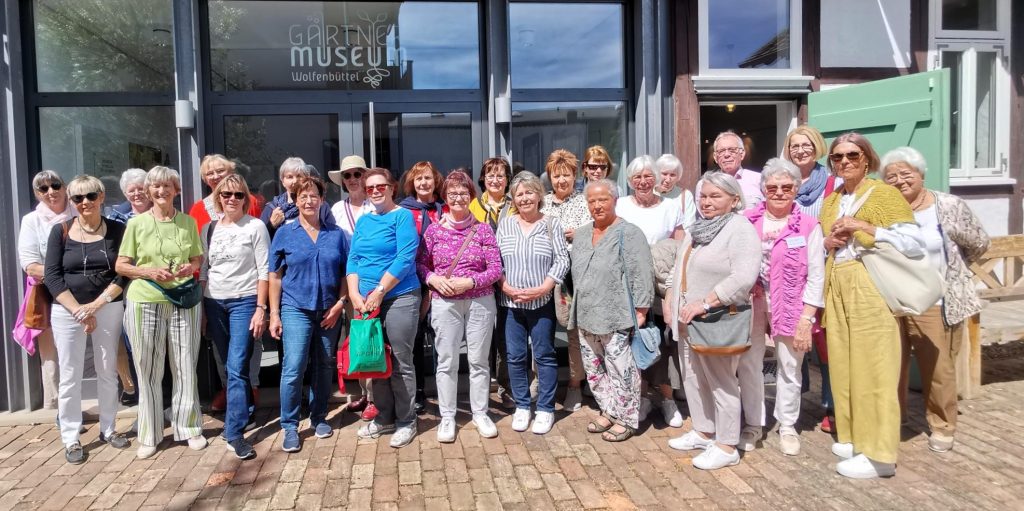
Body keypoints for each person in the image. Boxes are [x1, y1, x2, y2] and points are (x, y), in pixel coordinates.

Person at [820, 133, 924, 479]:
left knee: (875, 367)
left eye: (852, 155)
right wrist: (829, 240)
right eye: (837, 157)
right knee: (845, 365)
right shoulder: (833, 199)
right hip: (838, 281)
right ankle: (855, 437)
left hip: (870, 283)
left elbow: (914, 242)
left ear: (867, 158)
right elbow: (827, 241)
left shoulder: (884, 194)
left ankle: (880, 454)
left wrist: (864, 226)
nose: (845, 162)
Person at [881, 146, 990, 454]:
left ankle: (942, 424)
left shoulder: (948, 205)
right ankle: (894, 417)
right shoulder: (883, 209)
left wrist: (950, 272)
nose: (900, 181)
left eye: (906, 174)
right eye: (892, 176)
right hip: (891, 298)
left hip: (935, 300)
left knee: (939, 367)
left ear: (921, 174)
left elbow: (979, 243)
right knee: (891, 364)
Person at [666, 171, 760, 470]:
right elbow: (679, 266)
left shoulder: (739, 229)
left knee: (721, 382)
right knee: (693, 377)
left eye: (715, 196)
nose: (706, 202)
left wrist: (705, 302)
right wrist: (670, 298)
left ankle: (727, 444)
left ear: (734, 200)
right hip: (687, 318)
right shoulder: (698, 229)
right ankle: (705, 431)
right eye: (703, 196)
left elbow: (744, 278)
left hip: (715, 318)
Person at [115, 166, 207, 459]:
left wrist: (189, 268)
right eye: (155, 186)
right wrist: (148, 272)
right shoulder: (136, 224)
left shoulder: (188, 223)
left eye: (167, 186)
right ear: (148, 191)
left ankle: (189, 428)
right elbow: (121, 265)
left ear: (176, 190)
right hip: (146, 299)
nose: (161, 191)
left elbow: (197, 258)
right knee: (148, 368)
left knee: (184, 365)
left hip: (183, 299)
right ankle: (150, 434)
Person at [44, 175, 131, 464]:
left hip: (107, 306)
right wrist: (79, 311)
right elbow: (53, 276)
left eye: (91, 196)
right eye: (77, 198)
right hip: (68, 312)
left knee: (107, 370)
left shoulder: (118, 229)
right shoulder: (61, 231)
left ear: (102, 196)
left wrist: (95, 305)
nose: (85, 203)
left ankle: (109, 428)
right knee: (70, 375)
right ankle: (70, 437)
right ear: (71, 201)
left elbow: (124, 272)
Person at [744, 158, 824, 456]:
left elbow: (817, 274)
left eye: (786, 186)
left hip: (791, 304)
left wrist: (807, 317)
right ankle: (753, 423)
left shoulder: (808, 225)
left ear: (796, 188)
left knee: (790, 366)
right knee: (749, 364)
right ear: (763, 189)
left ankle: (787, 424)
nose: (779, 192)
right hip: (752, 303)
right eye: (773, 187)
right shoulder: (747, 220)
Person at [417, 171, 503, 442]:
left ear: (471, 197)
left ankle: (480, 412)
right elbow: (421, 264)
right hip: (445, 303)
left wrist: (470, 282)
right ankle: (447, 416)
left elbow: (496, 269)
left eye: (463, 193)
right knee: (447, 361)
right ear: (445, 197)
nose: (457, 198)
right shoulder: (434, 231)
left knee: (478, 360)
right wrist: (433, 279)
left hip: (480, 301)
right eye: (452, 194)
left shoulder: (483, 229)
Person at [569, 179, 653, 442]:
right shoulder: (582, 234)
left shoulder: (629, 233)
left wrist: (641, 309)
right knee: (594, 369)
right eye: (591, 201)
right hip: (586, 313)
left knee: (622, 368)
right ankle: (609, 409)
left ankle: (627, 417)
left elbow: (641, 273)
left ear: (615, 200)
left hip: (617, 314)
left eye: (602, 199)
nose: (596, 205)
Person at [268, 175, 347, 453]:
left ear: (322, 200)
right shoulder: (284, 233)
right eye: (303, 196)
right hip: (295, 308)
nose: (309, 200)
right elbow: (275, 276)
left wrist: (340, 304)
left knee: (324, 364)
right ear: (296, 200)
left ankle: (319, 416)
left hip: (328, 310)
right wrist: (274, 314)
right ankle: (289, 425)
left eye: (314, 195)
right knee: (294, 366)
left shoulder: (335, 234)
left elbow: (346, 273)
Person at [349, 168, 422, 448]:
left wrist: (380, 290)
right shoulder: (364, 221)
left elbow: (405, 258)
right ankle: (384, 417)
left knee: (401, 361)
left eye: (381, 186)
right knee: (375, 359)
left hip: (399, 295)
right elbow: (353, 258)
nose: (376, 191)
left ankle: (406, 420)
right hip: (366, 300)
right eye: (370, 188)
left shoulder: (402, 216)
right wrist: (354, 292)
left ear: (392, 188)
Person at [200, 174, 270, 460]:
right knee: (227, 367)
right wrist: (202, 310)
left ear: (246, 198)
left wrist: (261, 309)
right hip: (214, 303)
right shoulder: (208, 229)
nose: (231, 199)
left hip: (244, 302)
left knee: (238, 365)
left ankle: (235, 432)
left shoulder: (255, 226)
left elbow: (264, 270)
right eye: (226, 194)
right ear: (218, 197)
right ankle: (237, 421)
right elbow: (205, 270)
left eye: (237, 195)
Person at [190, 154, 265, 412]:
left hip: (244, 292)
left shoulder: (250, 204)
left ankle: (250, 389)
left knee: (246, 346)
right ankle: (229, 389)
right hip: (215, 293)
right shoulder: (198, 211)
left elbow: (258, 248)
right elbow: (202, 258)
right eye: (209, 173)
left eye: (220, 170)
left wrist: (261, 305)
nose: (215, 176)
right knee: (222, 349)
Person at [497, 172, 570, 435]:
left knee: (544, 356)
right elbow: (495, 261)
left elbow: (562, 259)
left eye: (529, 192)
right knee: (515, 357)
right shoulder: (505, 224)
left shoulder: (551, 224)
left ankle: (546, 409)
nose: (525, 198)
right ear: (513, 199)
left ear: (539, 195)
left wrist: (545, 286)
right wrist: (504, 285)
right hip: (511, 303)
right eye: (519, 194)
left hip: (542, 303)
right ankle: (522, 406)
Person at [615, 155, 685, 428]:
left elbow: (680, 248)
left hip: (662, 285)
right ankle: (642, 397)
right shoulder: (621, 206)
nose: (643, 182)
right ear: (630, 181)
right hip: (629, 284)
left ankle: (667, 399)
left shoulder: (670, 207)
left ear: (656, 179)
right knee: (635, 340)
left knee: (664, 343)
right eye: (637, 177)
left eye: (647, 176)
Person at [781, 124, 840, 433]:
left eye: (805, 145)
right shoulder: (784, 182)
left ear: (817, 147)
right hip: (791, 275)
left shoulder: (833, 183)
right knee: (793, 341)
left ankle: (832, 406)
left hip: (824, 271)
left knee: (826, 344)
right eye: (794, 146)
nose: (800, 150)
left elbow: (841, 223)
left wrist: (826, 239)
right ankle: (796, 402)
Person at [539, 150, 591, 412]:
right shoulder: (542, 203)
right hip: (544, 275)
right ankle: (540, 379)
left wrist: (579, 234)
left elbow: (595, 232)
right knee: (541, 331)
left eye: (566, 175)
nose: (561, 181)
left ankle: (574, 385)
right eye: (556, 176)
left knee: (573, 333)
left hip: (574, 277)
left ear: (575, 176)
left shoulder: (584, 203)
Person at [18, 171, 74, 413]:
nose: (50, 191)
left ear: (64, 186)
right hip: (48, 294)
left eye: (55, 185)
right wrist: (65, 274)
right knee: (51, 354)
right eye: (43, 188)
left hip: (84, 293)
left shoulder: (80, 212)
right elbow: (29, 264)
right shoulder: (31, 221)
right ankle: (58, 409)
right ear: (37, 194)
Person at [328, 155, 378, 421]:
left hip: (373, 281)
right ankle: (362, 391)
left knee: (371, 336)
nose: (353, 180)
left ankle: (374, 397)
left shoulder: (376, 205)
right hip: (347, 283)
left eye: (357, 174)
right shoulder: (336, 209)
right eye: (347, 176)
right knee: (356, 337)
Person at [399, 161, 448, 414]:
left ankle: (445, 391)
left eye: (428, 178)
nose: (424, 183)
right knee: (414, 339)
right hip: (413, 282)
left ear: (435, 180)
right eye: (419, 179)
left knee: (443, 338)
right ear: (412, 183)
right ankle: (417, 391)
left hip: (443, 281)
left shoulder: (445, 208)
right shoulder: (403, 211)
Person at [469, 157, 516, 408]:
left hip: (512, 278)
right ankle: (482, 388)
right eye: (490, 175)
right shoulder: (473, 206)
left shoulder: (516, 204)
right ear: (482, 179)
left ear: (507, 180)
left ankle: (507, 387)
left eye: (500, 175)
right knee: (482, 335)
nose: (495, 180)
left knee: (507, 336)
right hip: (483, 281)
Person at [106, 168, 151, 406]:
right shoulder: (115, 218)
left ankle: (162, 398)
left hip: (155, 287)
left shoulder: (160, 213)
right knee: (132, 343)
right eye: (131, 190)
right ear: (125, 193)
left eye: (141, 188)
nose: (137, 194)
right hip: (125, 287)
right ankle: (141, 393)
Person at [262, 156, 335, 239]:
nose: (295, 181)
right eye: (289, 177)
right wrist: (271, 225)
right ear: (283, 181)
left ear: (307, 178)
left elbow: (332, 235)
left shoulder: (320, 206)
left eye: (299, 176)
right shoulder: (272, 208)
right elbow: (260, 240)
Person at [704, 131, 764, 211]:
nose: (726, 155)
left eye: (732, 150)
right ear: (715, 157)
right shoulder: (707, 184)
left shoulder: (759, 179)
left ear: (742, 154)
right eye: (721, 151)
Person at [654, 154, 697, 232]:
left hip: (677, 242)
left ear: (678, 177)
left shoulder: (685, 195)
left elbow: (690, 226)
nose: (668, 179)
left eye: (672, 175)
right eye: (664, 174)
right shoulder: (648, 193)